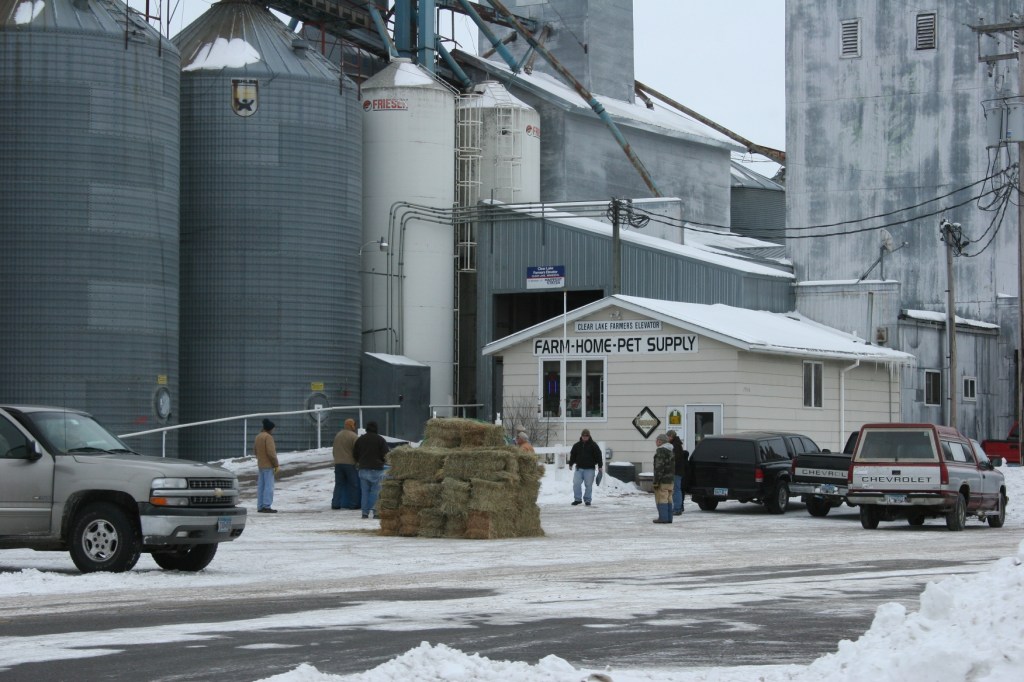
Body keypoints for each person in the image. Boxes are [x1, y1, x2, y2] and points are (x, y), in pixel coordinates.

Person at [353, 420, 389, 519]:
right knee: (375, 492)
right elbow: (386, 454)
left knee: (364, 492)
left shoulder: (360, 439)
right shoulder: (380, 439)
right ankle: (376, 512)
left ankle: (364, 513)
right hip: (377, 469)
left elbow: (355, 454)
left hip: (363, 469)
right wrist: (382, 461)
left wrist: (359, 461)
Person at [331, 418, 361, 510]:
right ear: (352, 425)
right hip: (349, 464)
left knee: (339, 484)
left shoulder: (338, 435)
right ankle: (354, 504)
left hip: (338, 463)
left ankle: (335, 504)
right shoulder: (353, 436)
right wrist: (358, 462)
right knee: (354, 484)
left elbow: (334, 450)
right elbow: (357, 450)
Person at [568, 428, 603, 506]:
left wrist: (600, 466)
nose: (585, 437)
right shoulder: (576, 445)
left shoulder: (594, 445)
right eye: (583, 436)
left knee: (588, 485)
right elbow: (573, 455)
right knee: (576, 483)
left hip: (590, 469)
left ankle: (587, 500)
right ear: (581, 436)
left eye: (586, 436)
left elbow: (599, 456)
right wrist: (570, 464)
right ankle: (577, 499)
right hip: (578, 468)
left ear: (589, 436)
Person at [254, 418, 279, 513]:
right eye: (273, 429)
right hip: (268, 465)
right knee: (268, 486)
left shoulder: (258, 436)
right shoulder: (268, 437)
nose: (273, 430)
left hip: (261, 465)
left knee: (261, 486)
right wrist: (276, 464)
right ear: (270, 429)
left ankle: (260, 506)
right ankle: (266, 506)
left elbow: (255, 451)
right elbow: (271, 453)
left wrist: (260, 459)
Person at [652, 433, 675, 524]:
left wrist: (656, 481)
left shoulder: (661, 451)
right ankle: (669, 518)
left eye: (657, 440)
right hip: (671, 480)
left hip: (663, 480)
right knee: (669, 498)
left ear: (660, 441)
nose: (656, 442)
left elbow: (659, 467)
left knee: (661, 498)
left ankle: (663, 518)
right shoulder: (671, 451)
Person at [668, 429, 689, 515]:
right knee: (677, 489)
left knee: (676, 490)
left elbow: (675, 459)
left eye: (668, 437)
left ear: (671, 436)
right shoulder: (677, 444)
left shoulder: (675, 445)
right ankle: (678, 507)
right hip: (678, 471)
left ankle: (677, 508)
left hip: (676, 471)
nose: (667, 438)